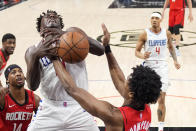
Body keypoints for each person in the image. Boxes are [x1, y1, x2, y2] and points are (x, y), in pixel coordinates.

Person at [49, 23, 162, 131]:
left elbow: (72, 89)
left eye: (128, 81)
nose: (125, 80)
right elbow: (118, 76)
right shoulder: (145, 104)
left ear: (131, 94)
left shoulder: (115, 117)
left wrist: (53, 56)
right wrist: (107, 47)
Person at [25, 10, 104, 131]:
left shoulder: (73, 35)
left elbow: (100, 50)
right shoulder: (33, 51)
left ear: (61, 25)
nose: (52, 16)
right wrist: (36, 56)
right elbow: (32, 86)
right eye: (47, 16)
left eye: (55, 16)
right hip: (49, 109)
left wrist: (63, 33)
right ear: (40, 30)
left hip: (78, 105)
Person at [135, 12, 181, 131]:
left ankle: (161, 128)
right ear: (150, 20)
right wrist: (142, 56)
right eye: (152, 18)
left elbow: (171, 47)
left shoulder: (166, 32)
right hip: (148, 66)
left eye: (156, 18)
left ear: (160, 20)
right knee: (146, 99)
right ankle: (146, 125)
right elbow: (136, 51)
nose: (154, 20)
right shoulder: (144, 33)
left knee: (161, 97)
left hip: (162, 66)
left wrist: (175, 60)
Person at [0, 64, 41, 131]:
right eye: (13, 72)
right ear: (7, 80)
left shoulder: (34, 99)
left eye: (20, 71)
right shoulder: (3, 97)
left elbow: (44, 120)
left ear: (24, 77)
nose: (18, 74)